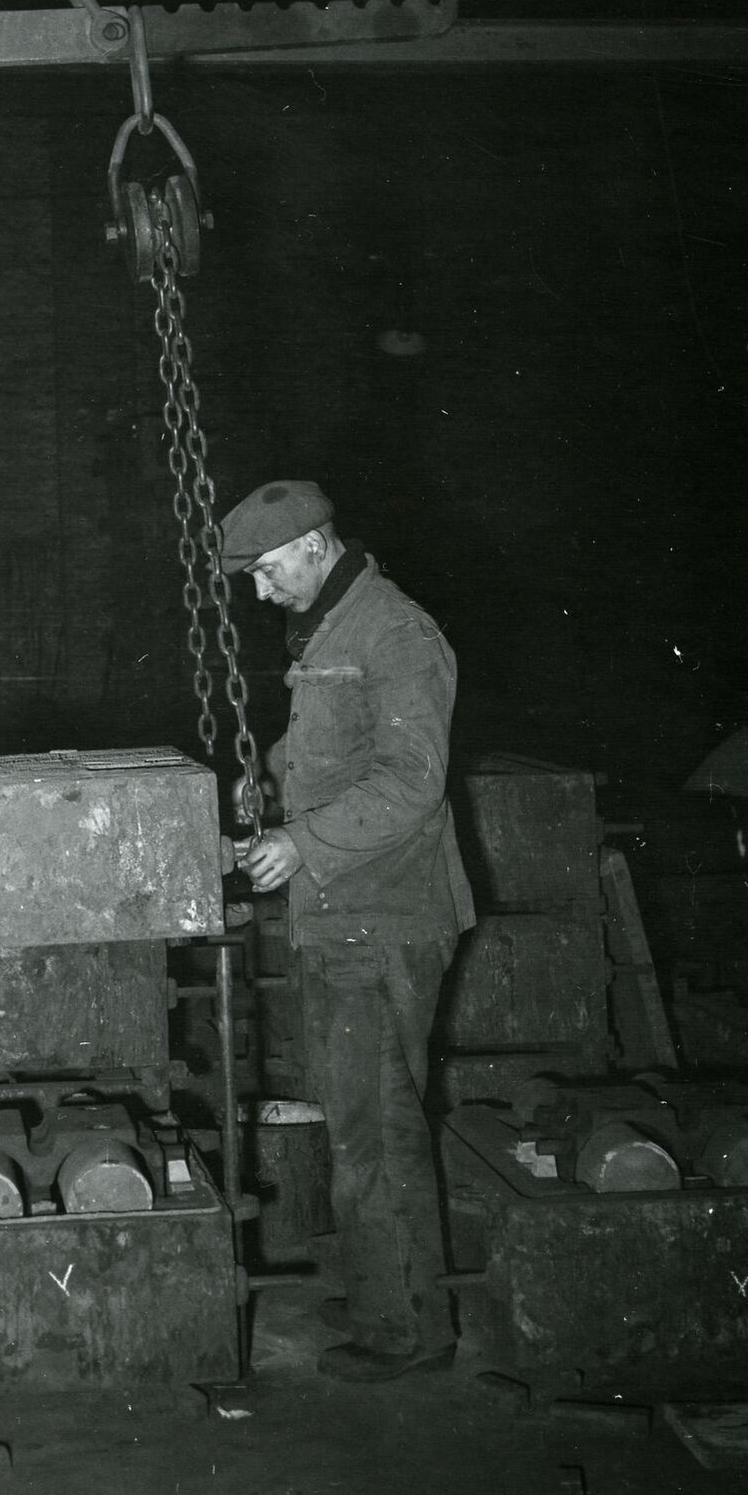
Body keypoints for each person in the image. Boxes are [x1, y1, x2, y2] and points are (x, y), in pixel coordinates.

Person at [221, 480, 475, 1383]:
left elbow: (412, 780)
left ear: (315, 544)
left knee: (378, 1130)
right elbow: (344, 749)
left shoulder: (395, 631)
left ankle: (409, 1327)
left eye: (265, 569)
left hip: (384, 917)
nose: (259, 590)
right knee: (356, 1118)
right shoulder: (333, 627)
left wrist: (304, 840)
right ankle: (380, 1289)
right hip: (343, 915)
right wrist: (280, 785)